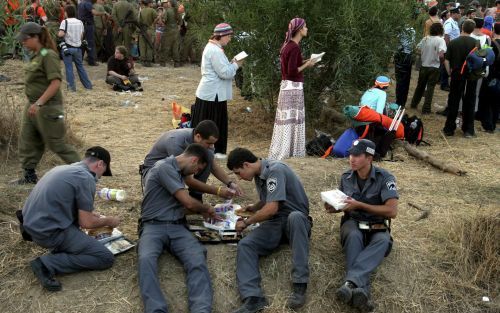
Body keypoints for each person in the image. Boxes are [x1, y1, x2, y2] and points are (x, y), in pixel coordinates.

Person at [21, 146, 120, 292]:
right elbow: (86, 223)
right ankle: (47, 264)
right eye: (103, 172)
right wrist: (109, 221)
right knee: (105, 258)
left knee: (79, 235)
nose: (100, 177)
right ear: (99, 164)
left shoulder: (63, 169)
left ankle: (62, 251)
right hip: (48, 233)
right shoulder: (86, 178)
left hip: (30, 226)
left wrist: (90, 216)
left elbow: (65, 205)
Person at [227, 148, 312, 312]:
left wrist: (247, 222)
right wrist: (255, 207)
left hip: (296, 223)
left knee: (295, 217)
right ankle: (253, 298)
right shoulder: (259, 174)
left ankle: (300, 285)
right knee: (246, 245)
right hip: (277, 223)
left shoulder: (275, 170)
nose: (239, 177)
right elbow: (269, 199)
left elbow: (272, 208)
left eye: (238, 172)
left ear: (246, 165)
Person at [138, 143, 216, 313]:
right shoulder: (164, 167)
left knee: (196, 258)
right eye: (197, 168)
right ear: (194, 159)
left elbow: (174, 204)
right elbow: (188, 201)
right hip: (153, 226)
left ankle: (201, 309)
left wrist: (203, 211)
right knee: (146, 260)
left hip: (177, 226)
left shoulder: (177, 173)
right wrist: (206, 208)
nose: (195, 173)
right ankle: (156, 309)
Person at [326, 139, 398, 313]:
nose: (352, 158)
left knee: (383, 240)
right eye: (351, 154)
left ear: (369, 157)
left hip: (377, 225)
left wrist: (360, 205)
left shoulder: (385, 178)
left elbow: (392, 211)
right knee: (353, 236)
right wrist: (333, 206)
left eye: (357, 155)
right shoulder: (346, 177)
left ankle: (350, 283)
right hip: (353, 223)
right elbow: (345, 204)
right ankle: (362, 292)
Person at [14, 22, 80, 184]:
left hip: (47, 107)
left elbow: (55, 82)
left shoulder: (48, 55)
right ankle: (29, 175)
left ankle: (83, 172)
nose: (23, 42)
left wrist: (39, 103)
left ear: (36, 37)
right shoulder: (37, 55)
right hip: (33, 105)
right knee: (28, 140)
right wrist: (33, 104)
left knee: (56, 143)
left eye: (25, 39)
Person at [141, 120, 243, 200]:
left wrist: (230, 183)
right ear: (198, 137)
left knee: (207, 158)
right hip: (152, 173)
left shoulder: (205, 144)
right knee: (174, 203)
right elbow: (188, 180)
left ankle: (196, 196)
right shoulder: (176, 142)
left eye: (213, 143)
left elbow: (213, 165)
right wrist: (218, 191)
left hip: (171, 172)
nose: (211, 147)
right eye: (209, 143)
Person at [191, 23, 242, 156]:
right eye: (229, 36)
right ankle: (214, 151)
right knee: (213, 123)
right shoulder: (214, 50)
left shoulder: (214, 48)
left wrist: (231, 63)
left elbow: (222, 69)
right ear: (221, 35)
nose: (230, 39)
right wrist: (237, 65)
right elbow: (224, 73)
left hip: (212, 93)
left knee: (209, 122)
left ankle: (206, 151)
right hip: (213, 94)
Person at [268, 18, 315, 160]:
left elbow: (292, 66)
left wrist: (307, 62)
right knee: (293, 119)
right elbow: (292, 71)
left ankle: (284, 149)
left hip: (286, 87)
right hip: (293, 88)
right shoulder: (294, 47)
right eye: (305, 27)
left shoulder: (287, 45)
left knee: (287, 119)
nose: (307, 29)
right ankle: (292, 151)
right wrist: (307, 65)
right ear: (299, 29)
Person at [443, 19, 481, 138]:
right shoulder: (476, 43)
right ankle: (468, 130)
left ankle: (449, 129)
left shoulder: (454, 42)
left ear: (462, 27)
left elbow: (446, 60)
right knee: (470, 101)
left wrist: (449, 72)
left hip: (457, 74)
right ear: (472, 29)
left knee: (454, 100)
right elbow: (480, 60)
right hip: (471, 75)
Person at [410, 22, 447, 114]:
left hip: (424, 66)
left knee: (420, 86)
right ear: (440, 30)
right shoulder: (440, 40)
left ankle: (414, 104)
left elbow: (416, 49)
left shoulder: (425, 39)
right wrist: (441, 62)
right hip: (434, 67)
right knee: (430, 88)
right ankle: (426, 109)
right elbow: (442, 55)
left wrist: (423, 54)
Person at [58, 5, 93, 92]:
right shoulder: (80, 22)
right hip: (78, 49)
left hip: (68, 48)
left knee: (69, 68)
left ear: (66, 12)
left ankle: (71, 89)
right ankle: (88, 86)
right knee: (80, 67)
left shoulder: (64, 22)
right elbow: (81, 36)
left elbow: (61, 34)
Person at [477, 22, 500, 133]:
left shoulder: (492, 44)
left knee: (486, 100)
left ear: (494, 30)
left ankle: (488, 125)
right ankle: (494, 123)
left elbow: (485, 58)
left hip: (491, 75)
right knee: (496, 102)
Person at [77, 0, 108, 66]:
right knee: (90, 43)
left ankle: (79, 60)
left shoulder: (81, 3)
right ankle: (91, 61)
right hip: (88, 25)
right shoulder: (88, 3)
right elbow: (95, 13)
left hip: (81, 25)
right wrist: (104, 13)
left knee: (81, 43)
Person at [394, 26, 415, 107]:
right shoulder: (412, 29)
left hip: (400, 54)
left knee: (399, 80)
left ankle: (398, 101)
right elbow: (412, 44)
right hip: (407, 55)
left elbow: (395, 41)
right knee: (406, 80)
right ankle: (402, 102)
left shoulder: (399, 28)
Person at [157, 0, 181, 67]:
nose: (167, 3)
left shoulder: (167, 11)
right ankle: (177, 63)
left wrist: (160, 18)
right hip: (176, 31)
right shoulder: (177, 11)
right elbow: (180, 22)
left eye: (168, 2)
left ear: (170, 3)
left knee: (165, 46)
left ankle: (163, 62)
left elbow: (164, 20)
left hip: (168, 31)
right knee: (175, 48)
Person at [138, 0, 157, 67]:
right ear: (149, 3)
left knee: (142, 46)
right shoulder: (152, 10)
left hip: (143, 30)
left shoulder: (141, 11)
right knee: (149, 45)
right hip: (150, 30)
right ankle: (148, 61)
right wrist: (153, 24)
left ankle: (143, 60)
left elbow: (139, 22)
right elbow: (157, 18)